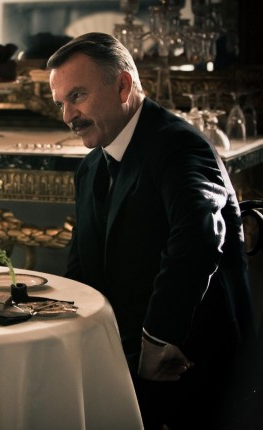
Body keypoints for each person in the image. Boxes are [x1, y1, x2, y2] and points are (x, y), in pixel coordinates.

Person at [47, 33, 257, 429]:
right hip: (119, 357)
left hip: (188, 361)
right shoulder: (90, 168)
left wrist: (158, 338)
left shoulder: (179, 147)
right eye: (61, 103)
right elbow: (82, 269)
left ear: (123, 86)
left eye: (77, 96)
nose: (68, 116)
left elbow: (198, 240)